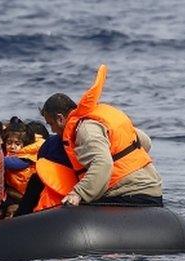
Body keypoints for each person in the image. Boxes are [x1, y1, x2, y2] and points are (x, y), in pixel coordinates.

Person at [40, 66, 161, 207]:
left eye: (51, 124)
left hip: (128, 195)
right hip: (152, 190)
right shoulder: (103, 116)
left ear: (60, 118)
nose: (53, 131)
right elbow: (146, 142)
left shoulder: (85, 129)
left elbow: (103, 163)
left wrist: (78, 194)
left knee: (73, 206)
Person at [0, 116, 42, 218]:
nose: (12, 146)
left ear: (25, 144)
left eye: (17, 144)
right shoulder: (9, 154)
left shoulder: (26, 157)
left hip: (24, 194)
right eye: (9, 143)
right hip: (14, 190)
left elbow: (13, 164)